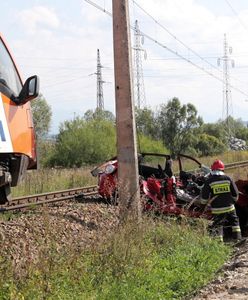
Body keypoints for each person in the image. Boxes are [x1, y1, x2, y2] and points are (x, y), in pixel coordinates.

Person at [200, 159, 241, 242]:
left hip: (217, 209)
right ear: (222, 169)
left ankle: (219, 242)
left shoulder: (209, 181)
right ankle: (237, 239)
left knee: (218, 224)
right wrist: (233, 202)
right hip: (230, 207)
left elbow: (204, 197)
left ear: (212, 170)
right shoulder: (228, 178)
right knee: (235, 222)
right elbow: (235, 193)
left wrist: (203, 206)